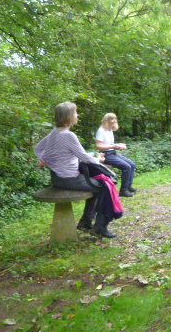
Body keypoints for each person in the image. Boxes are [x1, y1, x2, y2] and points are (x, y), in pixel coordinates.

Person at [35, 102, 121, 238]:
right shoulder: (68, 135)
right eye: (75, 113)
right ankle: (99, 227)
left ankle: (86, 223)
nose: (77, 115)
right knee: (104, 185)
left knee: (97, 187)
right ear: (68, 116)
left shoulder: (54, 133)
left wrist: (42, 159)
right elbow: (83, 157)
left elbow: (38, 148)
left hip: (57, 178)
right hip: (68, 179)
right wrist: (100, 161)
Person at [95, 113, 137, 197]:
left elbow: (109, 144)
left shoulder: (110, 130)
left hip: (112, 152)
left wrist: (118, 145)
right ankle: (123, 191)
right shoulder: (101, 131)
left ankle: (129, 186)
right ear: (106, 120)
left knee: (132, 165)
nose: (114, 121)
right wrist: (113, 146)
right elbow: (98, 146)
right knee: (127, 167)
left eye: (115, 119)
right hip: (105, 154)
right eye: (111, 119)